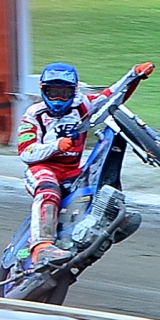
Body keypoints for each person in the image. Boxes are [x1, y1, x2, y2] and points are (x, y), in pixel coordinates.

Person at [17, 62, 144, 269]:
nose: (59, 99)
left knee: (100, 182)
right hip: (41, 169)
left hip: (72, 171)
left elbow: (110, 96)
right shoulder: (33, 114)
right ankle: (41, 246)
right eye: (53, 92)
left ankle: (112, 224)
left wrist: (134, 76)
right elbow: (26, 151)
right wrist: (55, 146)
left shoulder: (82, 105)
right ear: (43, 90)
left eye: (64, 93)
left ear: (74, 91)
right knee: (48, 189)